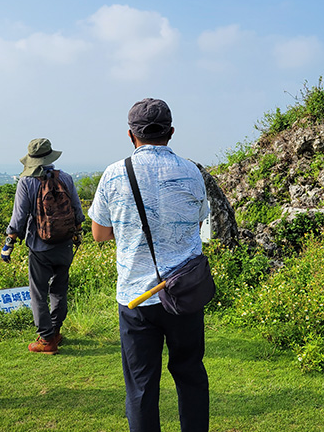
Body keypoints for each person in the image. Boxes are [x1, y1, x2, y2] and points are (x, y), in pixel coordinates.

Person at [88, 98, 211, 432]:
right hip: (185, 294)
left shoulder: (114, 175)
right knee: (191, 375)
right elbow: (199, 222)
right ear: (171, 132)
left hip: (137, 297)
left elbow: (99, 234)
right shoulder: (193, 172)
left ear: (131, 135)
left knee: (141, 387)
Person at [1, 138, 85, 354]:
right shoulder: (65, 178)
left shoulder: (26, 182)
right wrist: (75, 234)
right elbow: (77, 211)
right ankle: (55, 332)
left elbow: (19, 217)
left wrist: (9, 243)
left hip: (39, 246)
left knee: (38, 292)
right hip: (65, 244)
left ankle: (46, 339)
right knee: (59, 290)